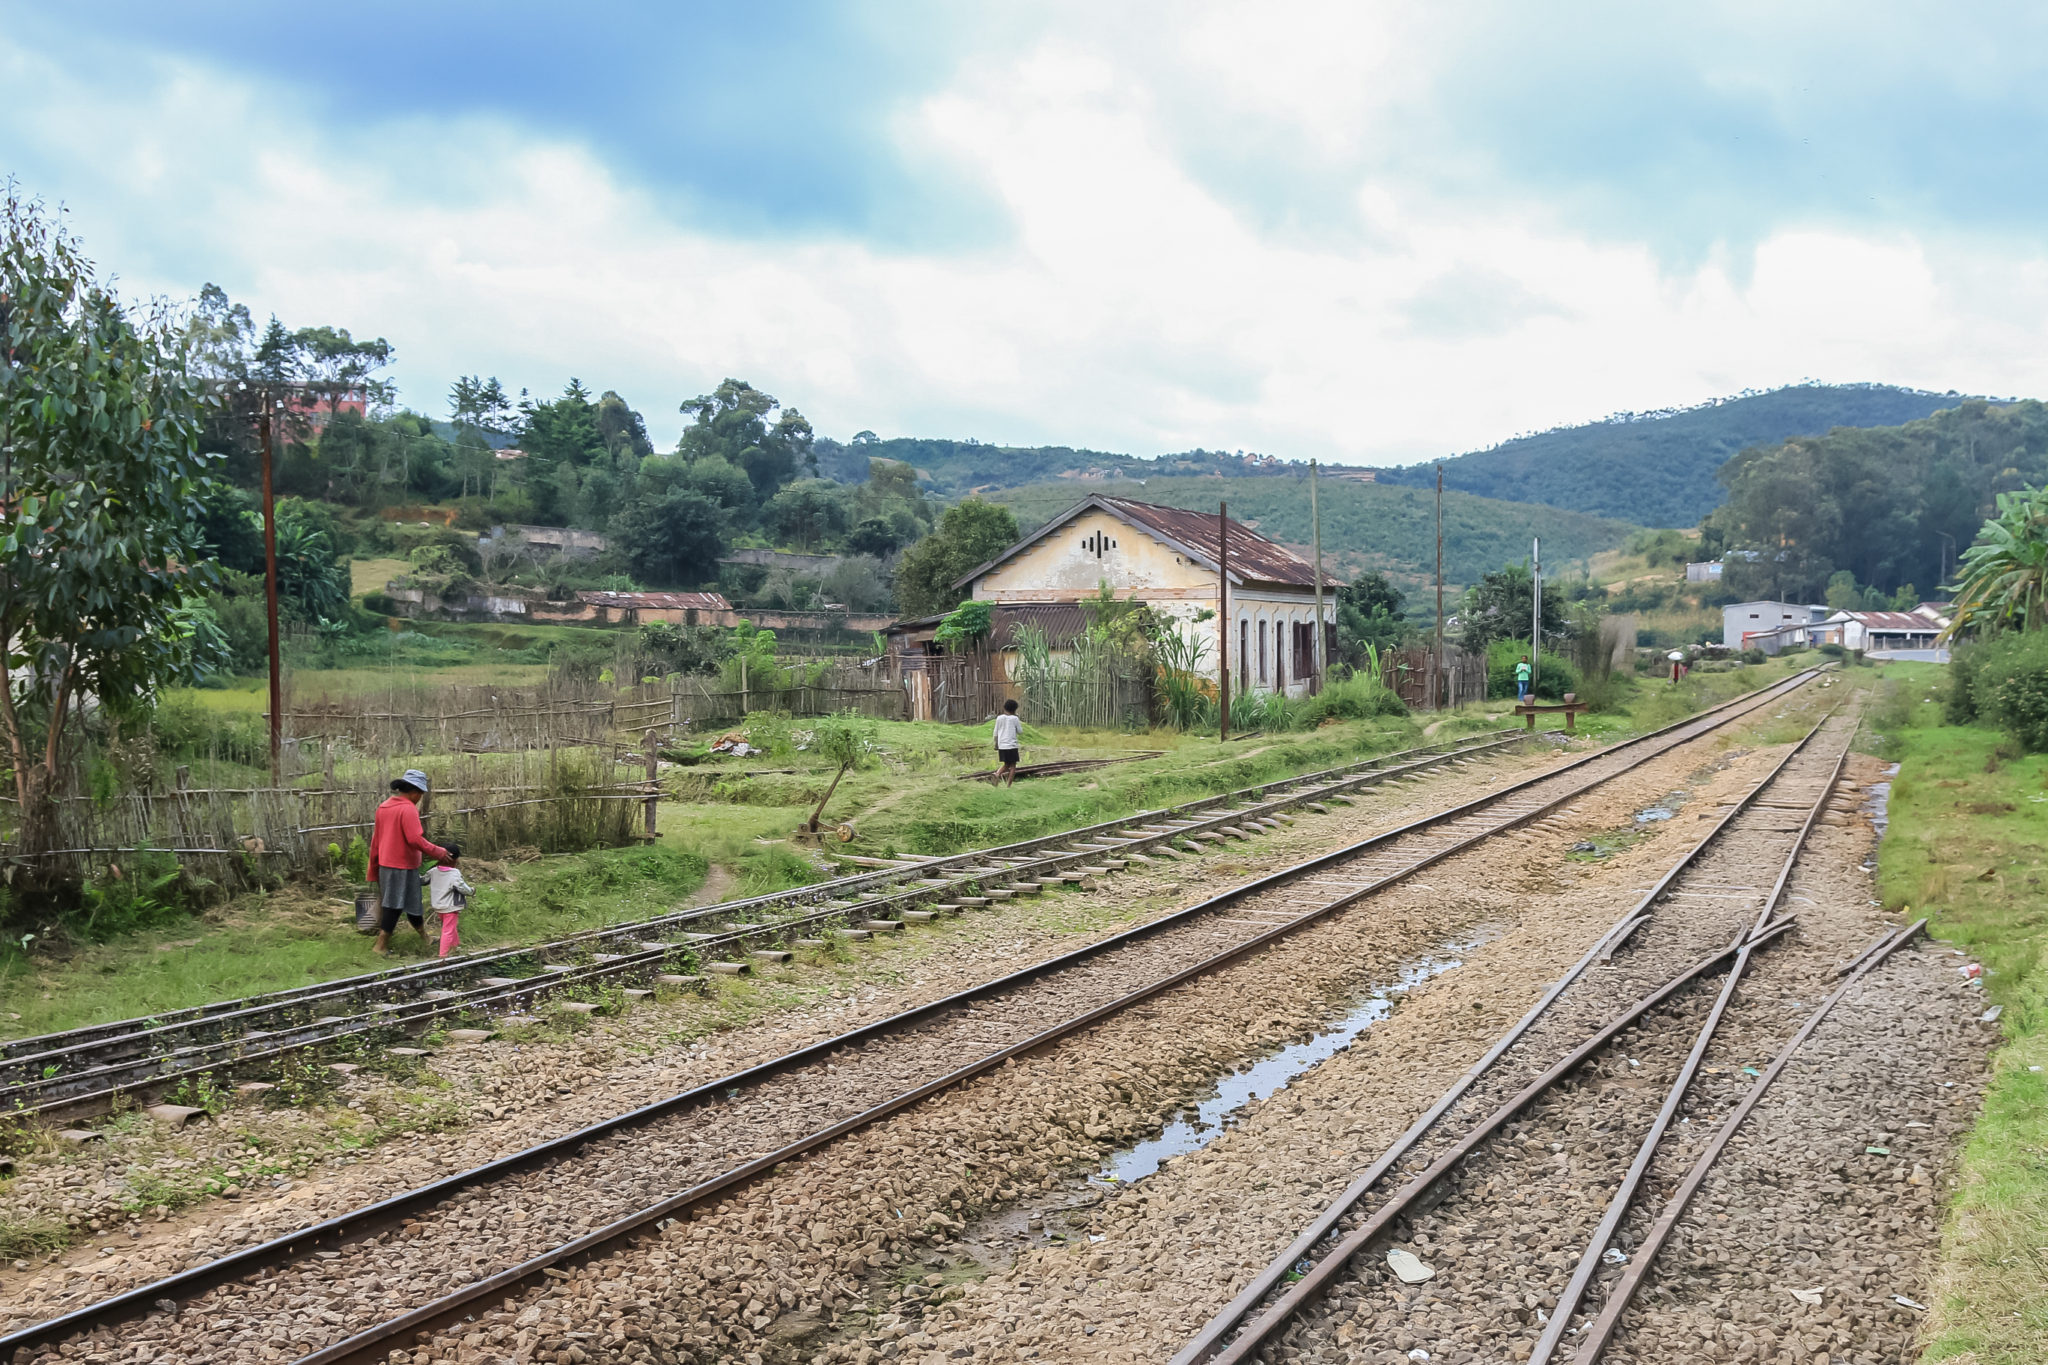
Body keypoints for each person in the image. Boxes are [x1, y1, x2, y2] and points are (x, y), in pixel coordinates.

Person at [369, 769, 449, 956]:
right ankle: (380, 945)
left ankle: (425, 938)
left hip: (388, 865)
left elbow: (376, 840)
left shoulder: (384, 806)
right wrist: (438, 852)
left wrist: (374, 865)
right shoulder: (407, 809)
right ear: (414, 792)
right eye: (420, 793)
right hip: (401, 866)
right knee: (394, 905)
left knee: (413, 903)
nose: (420, 797)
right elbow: (415, 839)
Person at [428, 844, 475, 959]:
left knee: (451, 927)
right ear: (456, 859)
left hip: (438, 906)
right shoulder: (454, 873)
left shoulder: (433, 871)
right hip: (450, 907)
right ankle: (442, 956)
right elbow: (462, 887)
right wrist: (471, 891)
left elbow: (423, 880)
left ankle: (455, 947)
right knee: (447, 931)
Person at [992, 698, 1023, 788]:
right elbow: (1020, 731)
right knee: (1013, 765)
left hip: (1002, 745)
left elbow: (995, 732)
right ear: (1015, 709)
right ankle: (1008, 785)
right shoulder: (1015, 719)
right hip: (1012, 745)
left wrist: (996, 744)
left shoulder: (999, 718)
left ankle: (997, 774)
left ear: (1004, 708)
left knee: (1006, 764)